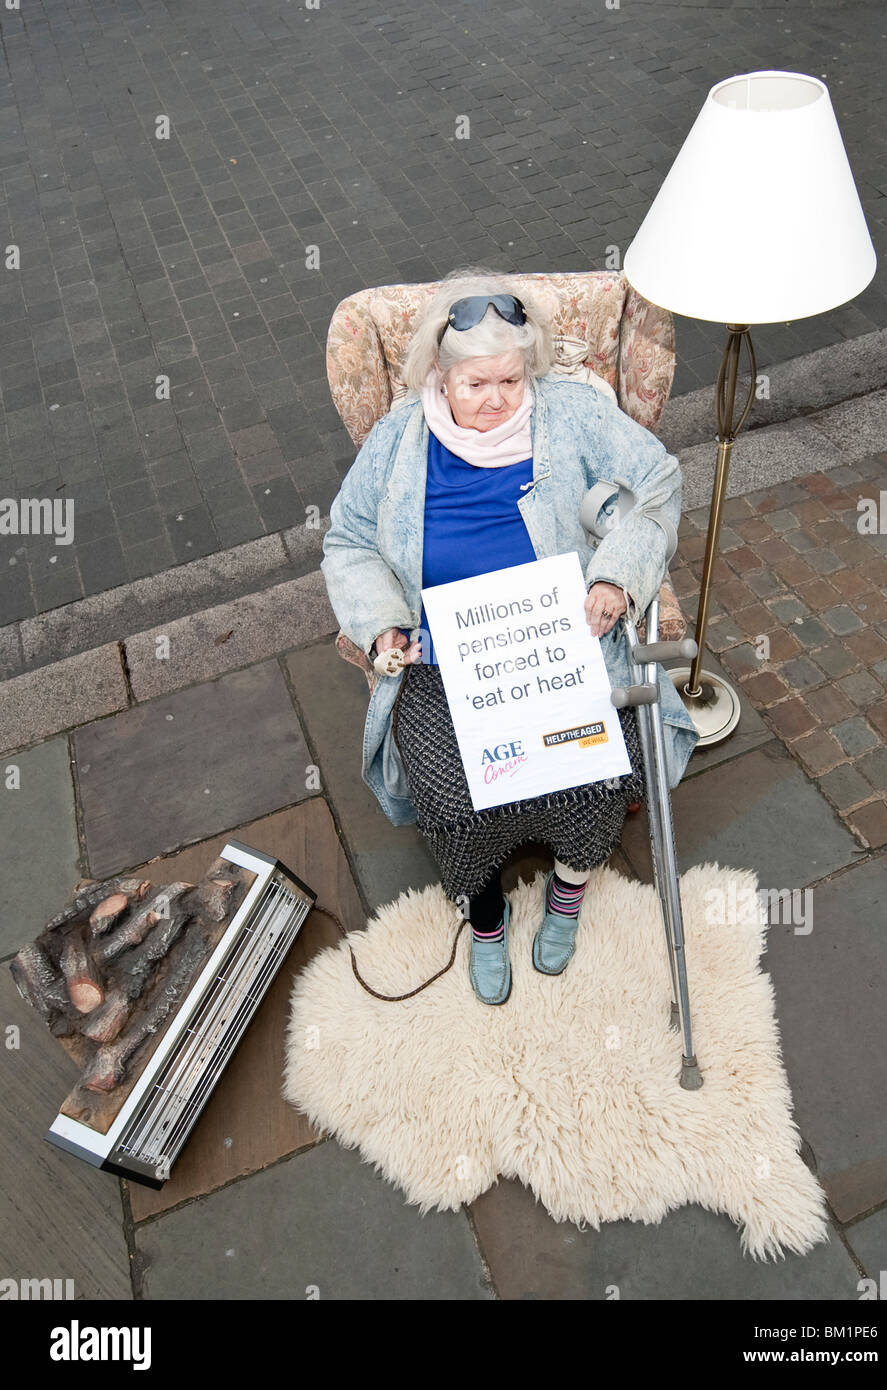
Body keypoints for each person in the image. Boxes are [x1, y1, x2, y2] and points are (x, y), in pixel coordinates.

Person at [321, 269, 698, 1006]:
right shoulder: (401, 437)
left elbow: (658, 484)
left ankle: (566, 898)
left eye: (509, 380)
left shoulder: (574, 414)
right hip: (444, 649)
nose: (495, 400)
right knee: (451, 797)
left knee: (593, 771)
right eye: (475, 385)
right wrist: (383, 624)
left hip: (554, 637)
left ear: (530, 368)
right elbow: (349, 540)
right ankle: (486, 918)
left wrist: (615, 578)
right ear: (440, 376)